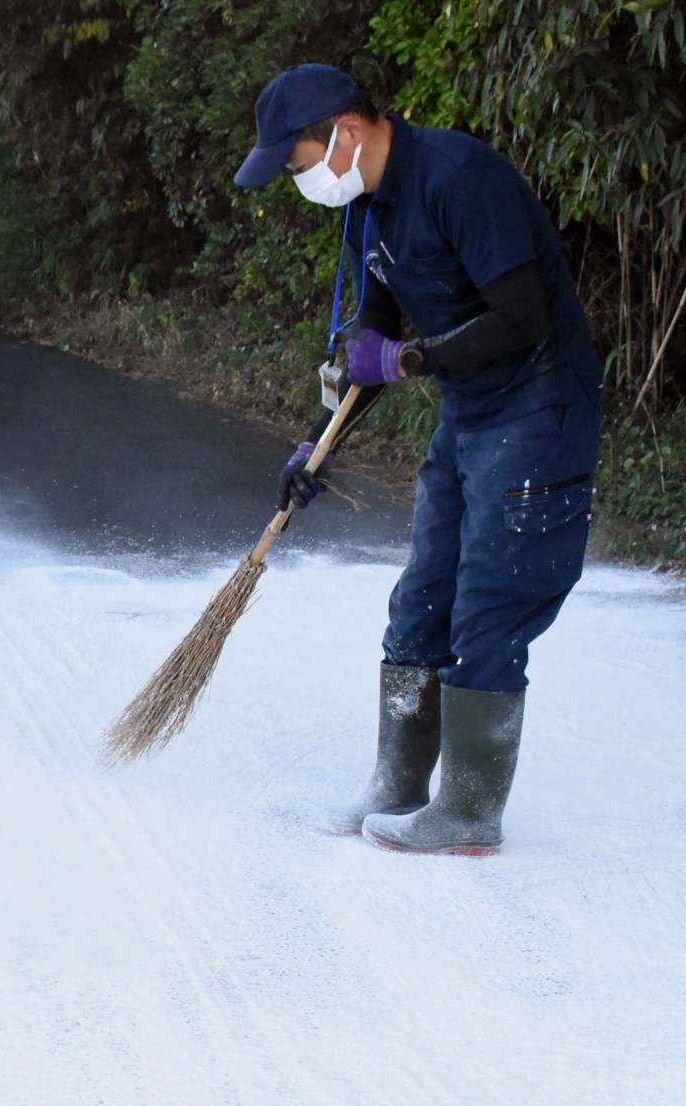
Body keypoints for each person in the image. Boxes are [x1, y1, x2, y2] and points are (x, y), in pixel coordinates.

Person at [234, 65, 602, 856]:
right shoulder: (365, 210)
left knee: (489, 603)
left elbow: (523, 317)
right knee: (421, 599)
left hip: (540, 405)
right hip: (469, 409)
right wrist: (317, 442)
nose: (298, 180)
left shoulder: (459, 179)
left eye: (297, 163)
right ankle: (397, 784)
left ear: (345, 130)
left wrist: (408, 361)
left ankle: (469, 811)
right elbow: (371, 343)